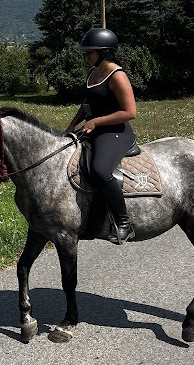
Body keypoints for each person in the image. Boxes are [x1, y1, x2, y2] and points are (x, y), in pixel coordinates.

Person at [66, 27, 137, 244]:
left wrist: (96, 121)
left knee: (99, 170)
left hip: (115, 132)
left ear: (103, 52)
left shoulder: (117, 76)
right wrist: (72, 125)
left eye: (89, 52)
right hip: (93, 130)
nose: (86, 56)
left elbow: (130, 112)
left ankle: (123, 223)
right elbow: (87, 103)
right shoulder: (94, 73)